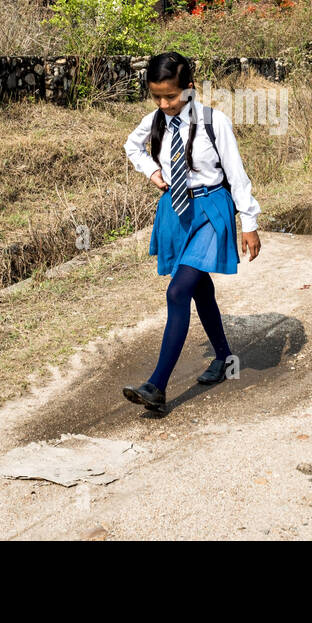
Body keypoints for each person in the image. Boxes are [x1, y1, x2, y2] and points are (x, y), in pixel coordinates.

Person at [120, 52, 262, 414]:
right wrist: (153, 172)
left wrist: (249, 223)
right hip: (176, 211)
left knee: (179, 289)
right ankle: (225, 358)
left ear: (189, 89)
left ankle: (157, 385)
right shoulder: (155, 120)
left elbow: (237, 174)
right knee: (199, 288)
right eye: (157, 97)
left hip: (211, 210)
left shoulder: (216, 122)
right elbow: (131, 147)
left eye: (170, 96)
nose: (164, 104)